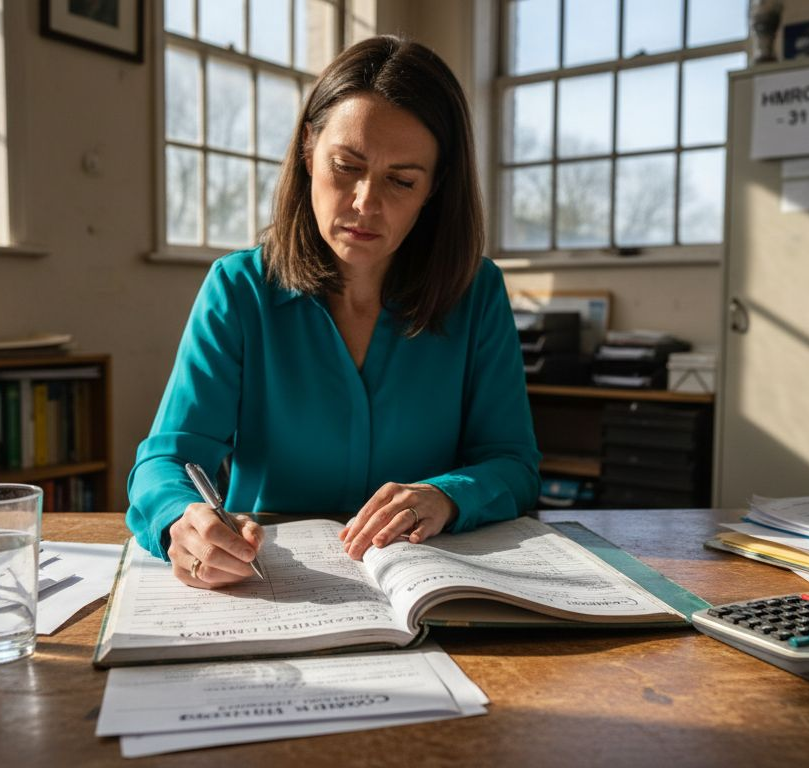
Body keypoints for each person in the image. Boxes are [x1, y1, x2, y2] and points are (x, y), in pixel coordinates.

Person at [126, 35, 540, 588]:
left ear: (433, 189)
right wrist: (182, 519)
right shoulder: (239, 288)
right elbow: (166, 461)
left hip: (432, 586)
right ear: (307, 151)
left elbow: (513, 464)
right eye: (346, 166)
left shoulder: (477, 291)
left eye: (401, 180)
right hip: (265, 586)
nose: (366, 202)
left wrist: (447, 496)